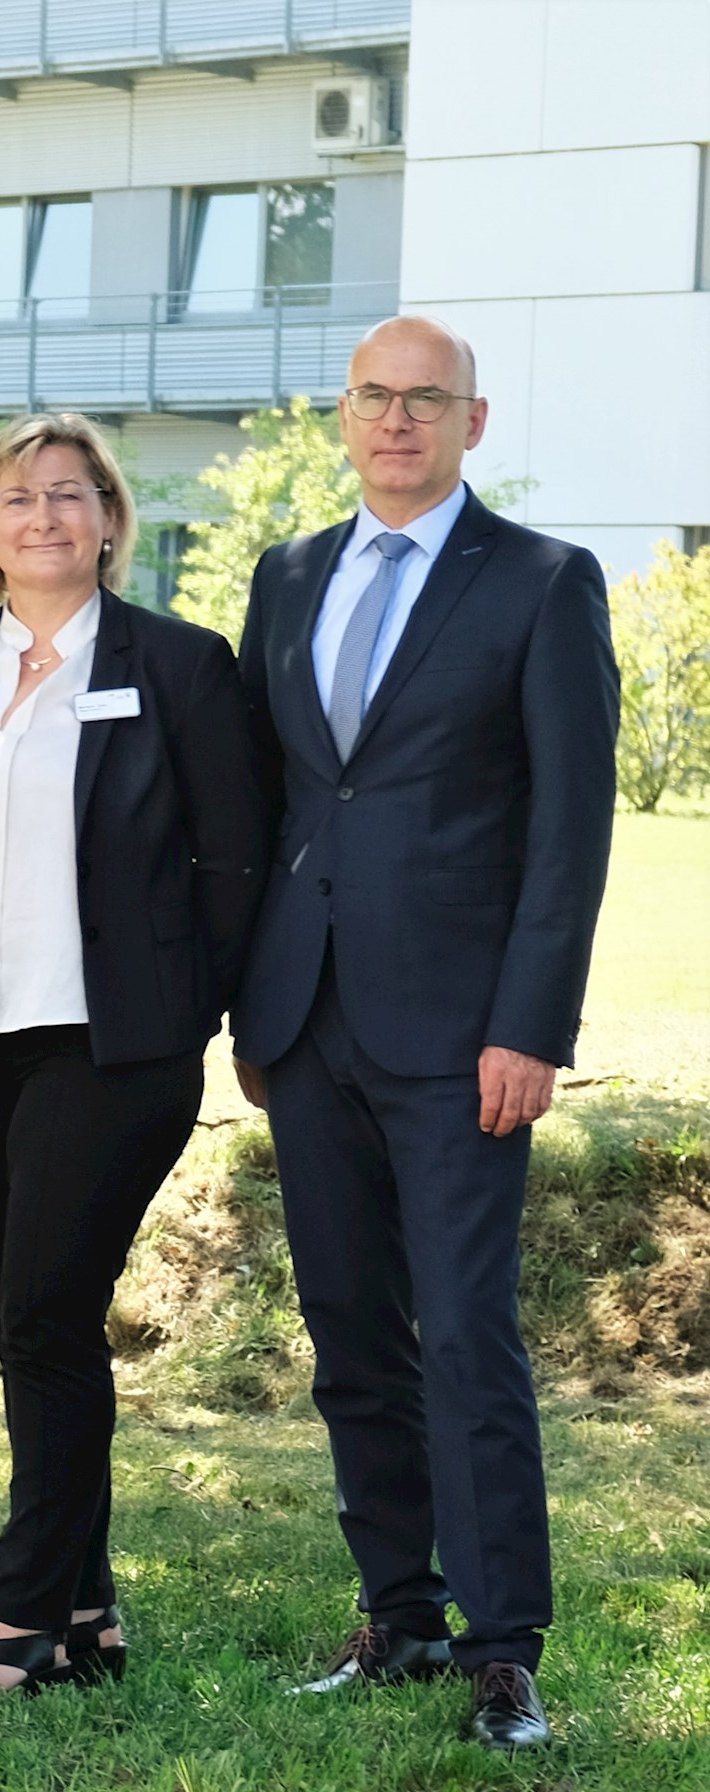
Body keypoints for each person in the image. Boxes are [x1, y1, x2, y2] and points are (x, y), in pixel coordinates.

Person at [238, 317, 612, 1751]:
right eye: (376, 399)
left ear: (474, 420)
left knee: (464, 1335)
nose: (398, 422)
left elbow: (570, 833)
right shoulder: (287, 577)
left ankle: (501, 1647)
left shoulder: (539, 582)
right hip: (307, 1020)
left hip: (466, 1038)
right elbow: (285, 803)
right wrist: (253, 1005)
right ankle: (397, 1614)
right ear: (344, 415)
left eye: (427, 402)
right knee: (348, 1336)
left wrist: (531, 1025)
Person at [0, 414, 273, 1692]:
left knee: (48, 1309)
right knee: (26, 1323)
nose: (43, 515)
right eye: (16, 497)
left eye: (70, 493)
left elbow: (232, 860)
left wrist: (194, 1006)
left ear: (109, 517)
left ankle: (19, 1618)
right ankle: (91, 1612)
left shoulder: (177, 662)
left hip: (106, 1046)